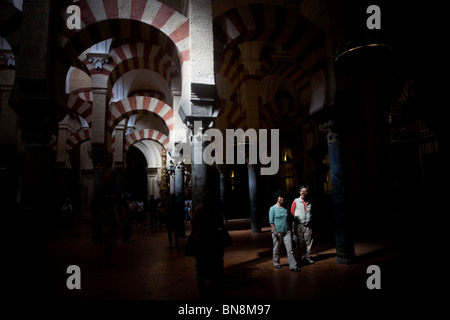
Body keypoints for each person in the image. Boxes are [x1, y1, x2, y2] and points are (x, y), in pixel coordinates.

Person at [190, 189, 226, 295]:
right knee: (212, 262)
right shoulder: (214, 209)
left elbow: (193, 222)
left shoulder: (198, 208)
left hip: (201, 239)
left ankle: (201, 284)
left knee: (200, 263)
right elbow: (219, 222)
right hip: (212, 238)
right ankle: (212, 284)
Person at [269, 191, 300, 272]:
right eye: (281, 197)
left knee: (290, 249)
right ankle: (276, 263)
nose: (282, 199)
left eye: (283, 197)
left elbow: (288, 219)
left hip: (287, 231)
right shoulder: (272, 209)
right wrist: (274, 231)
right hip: (277, 232)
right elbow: (271, 221)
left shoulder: (284, 208)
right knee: (276, 248)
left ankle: (293, 266)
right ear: (277, 198)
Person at [290, 185, 314, 265]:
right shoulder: (296, 201)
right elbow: (292, 212)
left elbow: (311, 212)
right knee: (299, 243)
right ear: (300, 192)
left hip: (308, 225)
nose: (304, 193)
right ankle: (298, 258)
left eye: (306, 191)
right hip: (299, 225)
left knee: (309, 242)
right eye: (302, 191)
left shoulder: (309, 202)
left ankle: (308, 257)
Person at [101, 194, 121, 268]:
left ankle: (107, 262)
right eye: (114, 199)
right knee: (110, 246)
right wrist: (120, 224)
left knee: (108, 246)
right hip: (110, 227)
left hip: (105, 227)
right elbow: (116, 216)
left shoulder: (104, 207)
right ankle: (108, 263)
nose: (115, 200)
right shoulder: (112, 207)